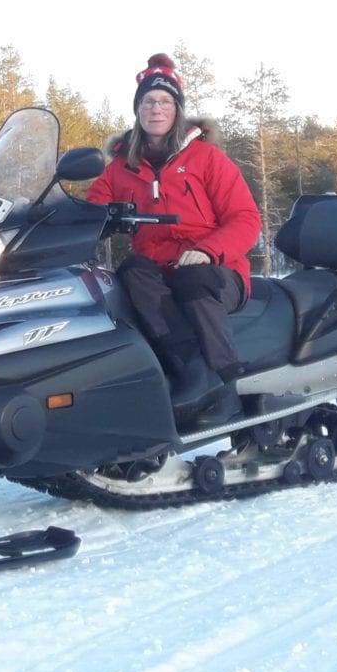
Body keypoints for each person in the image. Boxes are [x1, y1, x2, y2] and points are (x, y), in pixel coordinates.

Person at [86, 53, 262, 427]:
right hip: (156, 273)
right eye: (148, 101)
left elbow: (246, 219)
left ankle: (221, 383)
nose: (156, 108)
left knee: (192, 278)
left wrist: (207, 251)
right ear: (138, 109)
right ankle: (176, 369)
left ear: (177, 109)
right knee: (130, 271)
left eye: (165, 101)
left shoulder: (206, 159)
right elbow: (91, 208)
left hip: (217, 271)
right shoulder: (122, 168)